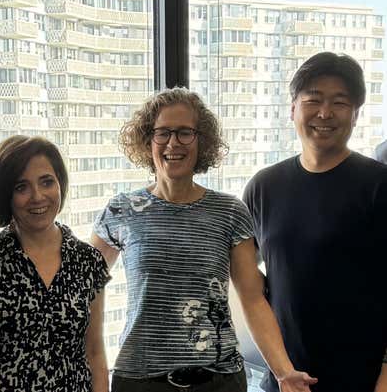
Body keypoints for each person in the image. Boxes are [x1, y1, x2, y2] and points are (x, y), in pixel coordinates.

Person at [91, 88, 315, 392]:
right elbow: (83, 285)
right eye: (162, 133)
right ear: (148, 140)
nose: (173, 143)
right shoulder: (122, 210)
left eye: (185, 132)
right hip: (140, 380)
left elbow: (252, 300)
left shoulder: (229, 211)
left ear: (202, 140)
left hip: (218, 380)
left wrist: (283, 371)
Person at [243, 52, 387, 392]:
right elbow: (246, 281)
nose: (325, 113)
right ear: (293, 109)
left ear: (355, 115)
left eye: (340, 102)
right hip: (284, 381)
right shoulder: (264, 186)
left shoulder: (379, 186)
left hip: (364, 380)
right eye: (313, 100)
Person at [0, 135, 110, 392]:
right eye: (21, 187)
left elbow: (95, 353)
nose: (37, 196)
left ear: (60, 184)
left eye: (47, 182)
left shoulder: (88, 260)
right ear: (5, 195)